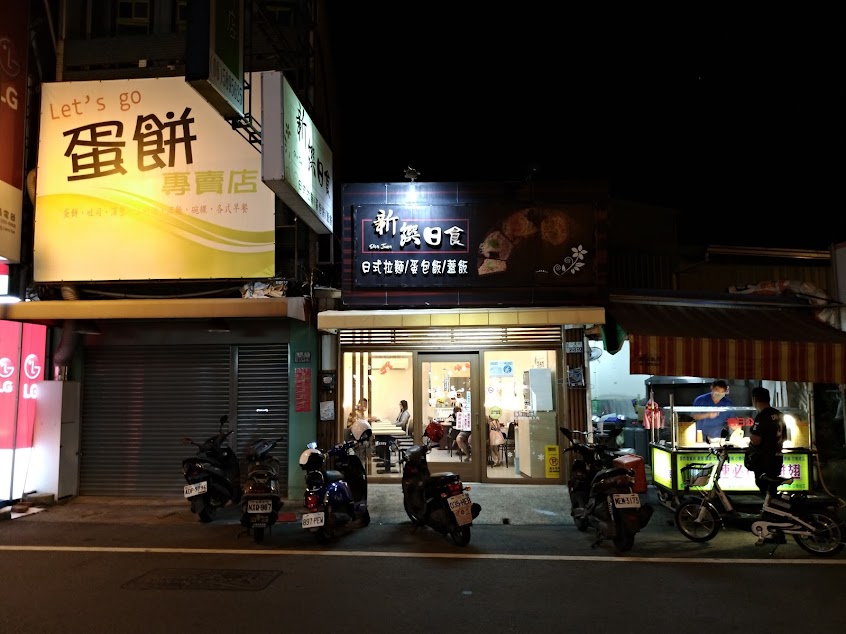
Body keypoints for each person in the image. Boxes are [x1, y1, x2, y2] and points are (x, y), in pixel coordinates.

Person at [746, 386, 786, 495]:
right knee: (771, 490)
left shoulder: (762, 416)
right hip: (777, 458)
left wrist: (749, 438)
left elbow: (756, 440)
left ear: (754, 399)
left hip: (765, 460)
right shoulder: (779, 414)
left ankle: (773, 510)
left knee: (764, 487)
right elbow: (784, 437)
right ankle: (773, 509)